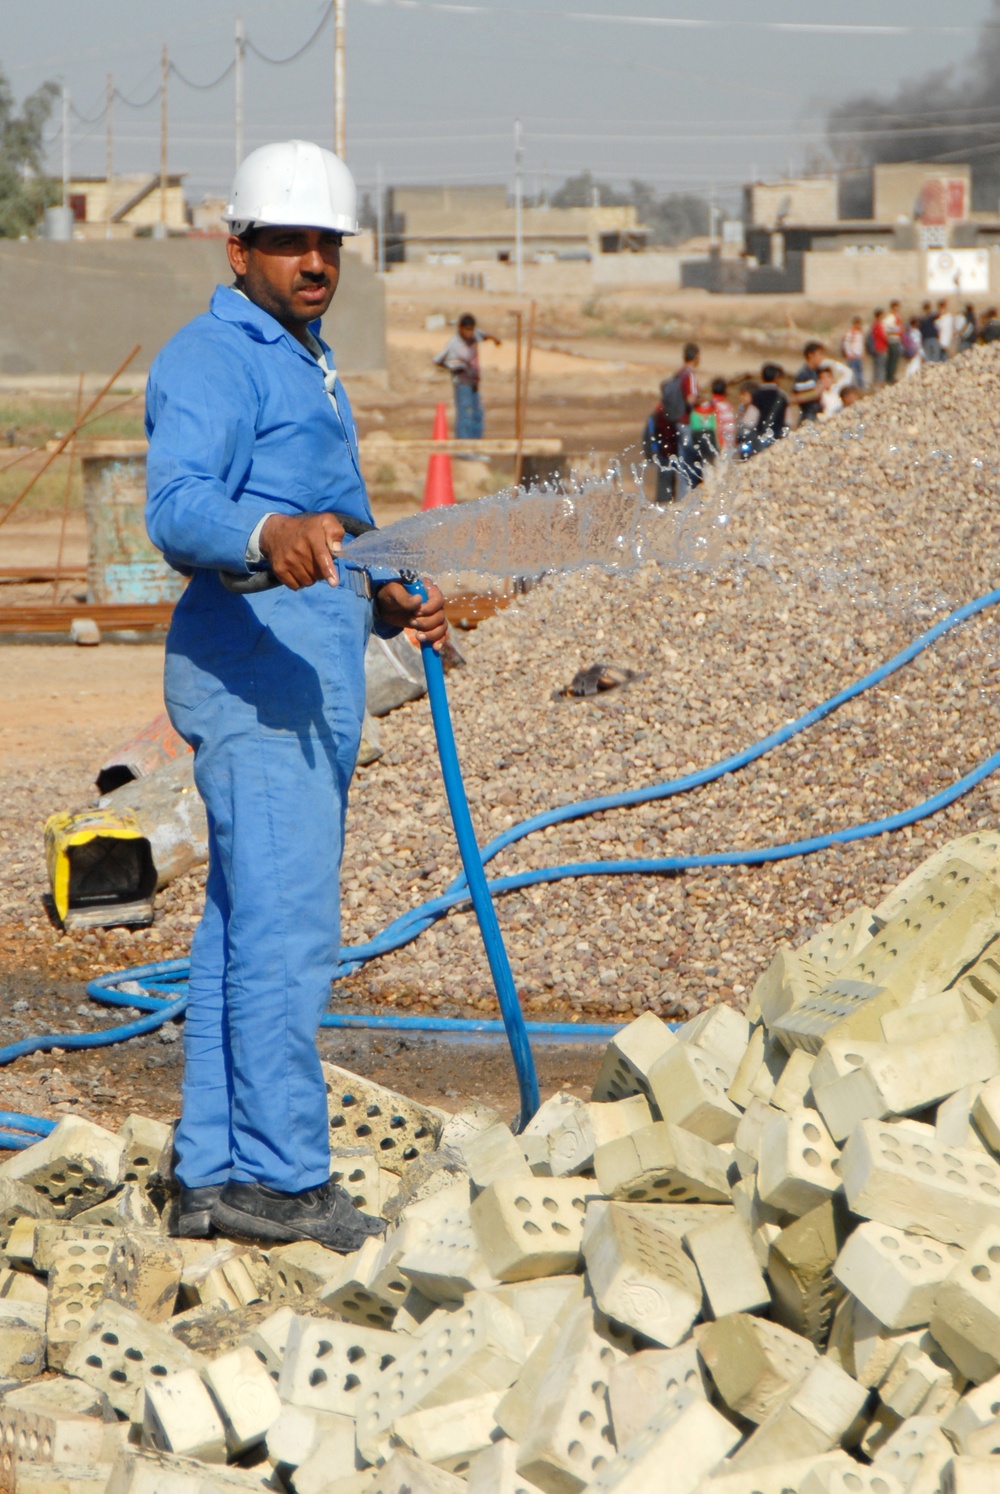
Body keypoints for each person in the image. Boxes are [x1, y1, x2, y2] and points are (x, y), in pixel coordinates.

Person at [144, 140, 449, 1248]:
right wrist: (264, 535)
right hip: (256, 683)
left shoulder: (297, 353)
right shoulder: (215, 358)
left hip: (300, 674)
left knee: (240, 928)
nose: (313, 258)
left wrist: (376, 598)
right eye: (288, 240)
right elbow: (178, 505)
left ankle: (215, 1171)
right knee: (286, 933)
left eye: (327, 241)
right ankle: (281, 1178)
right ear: (239, 248)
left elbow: (325, 520)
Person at [433, 313, 501, 440]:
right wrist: (454, 368)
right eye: (466, 330)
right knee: (466, 414)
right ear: (460, 328)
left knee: (477, 414)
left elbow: (484, 335)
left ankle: (475, 445)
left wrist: (495, 339)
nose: (469, 333)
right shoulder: (454, 343)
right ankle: (464, 448)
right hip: (462, 383)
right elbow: (438, 360)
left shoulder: (475, 334)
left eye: (471, 329)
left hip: (474, 382)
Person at [660, 342, 700, 496]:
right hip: (686, 421)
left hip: (676, 420)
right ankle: (687, 495)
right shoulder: (690, 375)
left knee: (682, 458)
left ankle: (681, 494)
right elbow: (691, 399)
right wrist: (701, 401)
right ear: (696, 357)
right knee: (688, 459)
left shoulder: (678, 373)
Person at [791, 341, 826, 422]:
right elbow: (796, 397)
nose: (822, 357)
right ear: (810, 355)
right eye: (820, 354)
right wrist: (817, 391)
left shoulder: (815, 372)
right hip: (808, 416)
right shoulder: (804, 374)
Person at [710, 377, 736, 454]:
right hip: (723, 444)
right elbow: (731, 427)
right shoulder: (726, 406)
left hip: (708, 443)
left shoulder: (706, 405)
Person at [841, 315, 865, 389]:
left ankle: (860, 387)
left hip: (858, 355)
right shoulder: (851, 333)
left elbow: (860, 344)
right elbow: (846, 344)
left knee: (859, 373)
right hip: (852, 356)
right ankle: (851, 388)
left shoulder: (859, 333)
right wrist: (849, 353)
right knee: (850, 374)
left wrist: (861, 352)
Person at [884, 300, 904, 384]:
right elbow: (885, 328)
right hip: (892, 340)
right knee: (892, 360)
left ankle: (893, 376)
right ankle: (890, 378)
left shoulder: (897, 317)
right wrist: (894, 330)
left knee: (895, 359)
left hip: (897, 340)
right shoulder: (889, 318)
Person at [868, 310, 888, 386]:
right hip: (880, 348)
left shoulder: (874, 325)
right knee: (881, 367)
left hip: (876, 348)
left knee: (877, 367)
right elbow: (883, 337)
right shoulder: (879, 326)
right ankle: (880, 383)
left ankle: (876, 383)